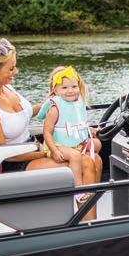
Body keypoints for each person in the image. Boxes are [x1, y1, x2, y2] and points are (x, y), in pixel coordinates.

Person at [0, 38, 66, 173]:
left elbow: (22, 115)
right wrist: (46, 153)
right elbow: (4, 155)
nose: (16, 71)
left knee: (87, 157)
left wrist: (50, 102)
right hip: (16, 164)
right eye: (11, 68)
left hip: (34, 148)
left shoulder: (6, 88)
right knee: (76, 163)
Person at [38, 66, 103, 207]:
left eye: (74, 86)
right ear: (55, 91)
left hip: (73, 143)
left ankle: (94, 191)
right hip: (57, 144)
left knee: (97, 144)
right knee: (75, 156)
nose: (70, 91)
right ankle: (78, 190)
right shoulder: (55, 108)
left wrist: (90, 130)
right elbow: (47, 132)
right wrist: (54, 150)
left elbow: (74, 125)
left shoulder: (75, 105)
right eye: (65, 88)